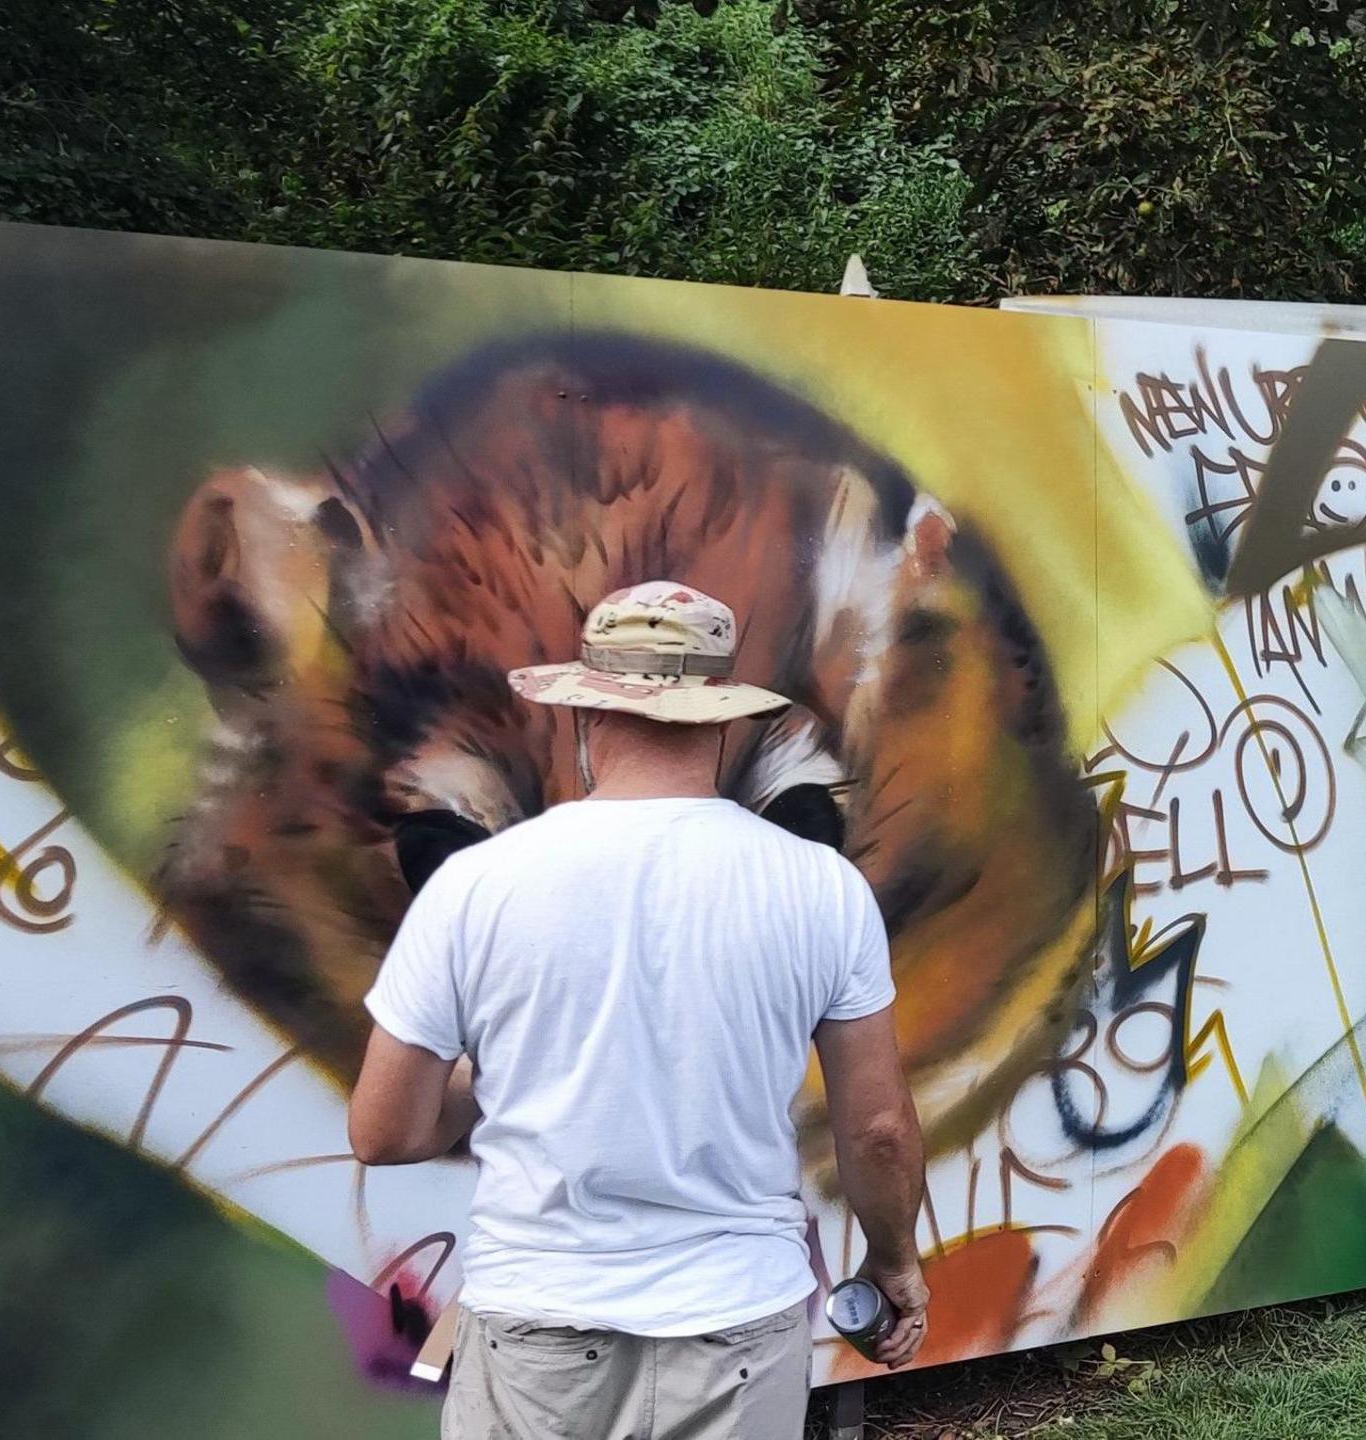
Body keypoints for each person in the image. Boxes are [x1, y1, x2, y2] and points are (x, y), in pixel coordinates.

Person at [346, 580, 931, 1439]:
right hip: (738, 1324)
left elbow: (384, 1131)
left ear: (584, 715)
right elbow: (876, 1129)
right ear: (721, 719)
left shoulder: (476, 886)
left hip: (537, 1334)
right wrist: (894, 1263)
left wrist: (505, 1076)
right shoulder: (819, 887)